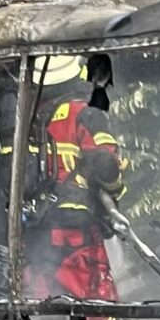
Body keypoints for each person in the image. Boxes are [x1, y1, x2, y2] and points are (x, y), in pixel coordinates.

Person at [21, 54, 124, 301]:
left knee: (43, 310)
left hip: (38, 236)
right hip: (78, 236)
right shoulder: (85, 113)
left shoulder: (29, 119)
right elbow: (106, 165)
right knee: (97, 310)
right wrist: (115, 191)